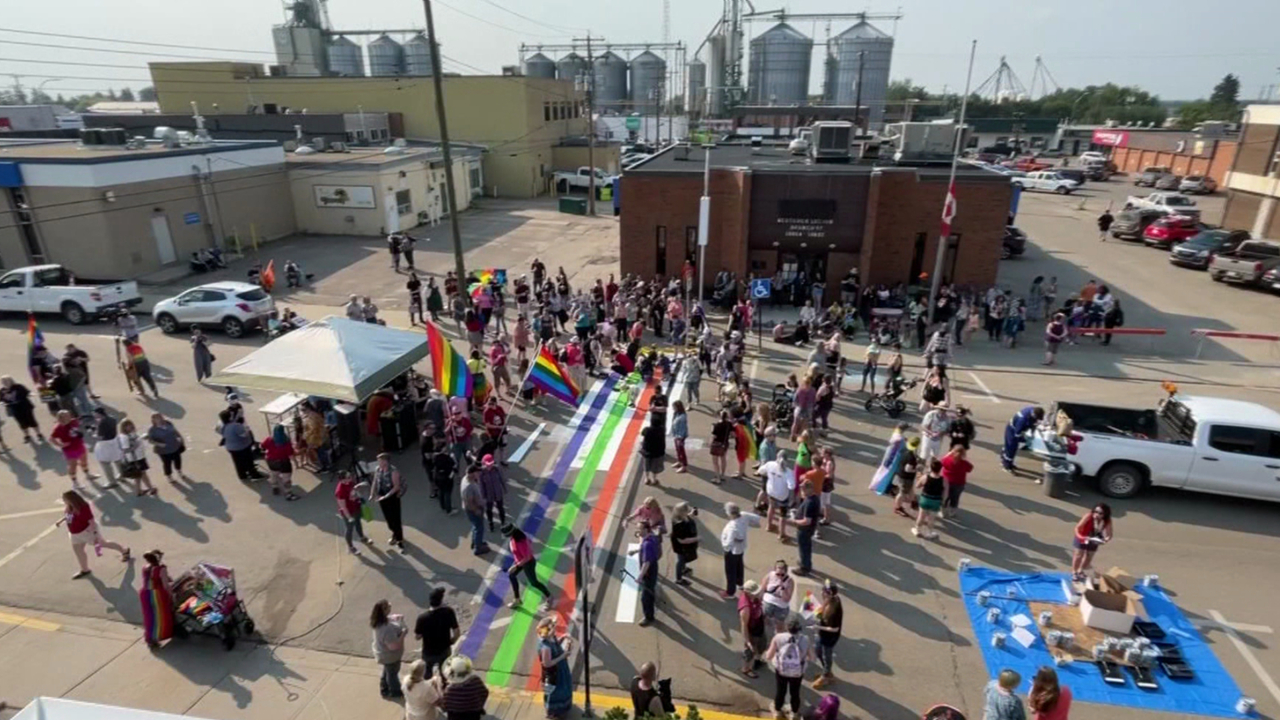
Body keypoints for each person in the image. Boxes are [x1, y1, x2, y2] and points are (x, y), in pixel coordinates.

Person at [57, 490, 129, 579]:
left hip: (86, 531)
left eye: (65, 499)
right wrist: (61, 521)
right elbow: (69, 517)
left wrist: (94, 534)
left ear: (71, 499)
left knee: (103, 543)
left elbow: (90, 521)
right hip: (74, 533)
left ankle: (124, 550)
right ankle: (85, 569)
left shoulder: (83, 507)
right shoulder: (69, 507)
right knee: (78, 551)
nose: (64, 501)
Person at [764, 614, 812, 720]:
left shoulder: (778, 637)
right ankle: (794, 714)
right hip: (797, 672)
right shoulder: (805, 639)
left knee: (781, 690)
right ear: (799, 628)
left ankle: (777, 711)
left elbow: (768, 656)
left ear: (786, 627)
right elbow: (812, 657)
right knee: (795, 692)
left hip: (782, 670)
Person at [413, 586, 461, 678]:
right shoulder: (448, 612)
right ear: (441, 600)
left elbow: (417, 637)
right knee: (445, 673)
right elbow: (457, 632)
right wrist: (451, 641)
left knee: (427, 673)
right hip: (444, 649)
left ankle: (429, 688)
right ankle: (443, 687)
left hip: (428, 651)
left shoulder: (422, 618)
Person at [503, 525, 553, 611]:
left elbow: (527, 557)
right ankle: (517, 599)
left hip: (528, 563)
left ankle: (549, 596)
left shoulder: (520, 541)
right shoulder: (515, 538)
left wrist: (516, 566)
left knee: (534, 583)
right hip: (520, 562)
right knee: (512, 575)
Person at [536, 617, 574, 718]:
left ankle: (562, 709)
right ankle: (555, 713)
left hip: (561, 669)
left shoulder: (551, 638)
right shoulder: (546, 648)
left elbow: (555, 645)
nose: (556, 628)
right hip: (555, 673)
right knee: (556, 692)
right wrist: (563, 656)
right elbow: (547, 663)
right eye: (553, 627)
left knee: (563, 689)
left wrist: (563, 638)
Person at [371, 600, 408, 699]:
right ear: (384, 611)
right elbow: (394, 646)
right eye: (388, 606)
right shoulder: (387, 629)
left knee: (387, 671)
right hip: (390, 657)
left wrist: (393, 618)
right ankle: (395, 692)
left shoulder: (377, 621)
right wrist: (403, 633)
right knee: (392, 675)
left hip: (382, 654)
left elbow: (388, 620)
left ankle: (384, 688)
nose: (390, 606)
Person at [138, 550, 175, 648]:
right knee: (161, 616)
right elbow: (165, 585)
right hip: (157, 594)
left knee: (149, 617)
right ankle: (160, 635)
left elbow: (150, 578)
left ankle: (150, 638)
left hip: (145, 593)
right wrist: (171, 595)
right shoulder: (161, 569)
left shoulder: (145, 568)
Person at [813, 580, 843, 689]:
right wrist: (818, 611)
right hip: (822, 633)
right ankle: (826, 671)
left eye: (824, 591)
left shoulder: (834, 609)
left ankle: (826, 676)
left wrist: (818, 627)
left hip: (829, 637)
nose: (821, 593)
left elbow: (834, 629)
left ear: (830, 594)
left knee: (827, 656)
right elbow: (823, 607)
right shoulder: (830, 600)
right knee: (818, 650)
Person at [50, 410, 95, 485]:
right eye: (66, 416)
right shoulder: (58, 428)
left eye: (69, 415)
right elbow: (52, 438)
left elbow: (79, 428)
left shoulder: (73, 422)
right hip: (70, 450)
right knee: (73, 466)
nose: (69, 417)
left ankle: (88, 475)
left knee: (84, 462)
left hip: (79, 445)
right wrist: (61, 445)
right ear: (61, 418)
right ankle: (75, 482)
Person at [1071, 503, 1113, 581]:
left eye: (1100, 513)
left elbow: (1109, 534)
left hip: (1094, 538)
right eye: (1095, 511)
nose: (1097, 514)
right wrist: (1080, 537)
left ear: (1105, 514)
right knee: (1078, 555)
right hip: (1083, 536)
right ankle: (1074, 572)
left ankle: (1080, 571)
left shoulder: (1107, 521)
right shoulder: (1088, 516)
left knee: (1088, 557)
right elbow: (1077, 528)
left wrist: (1105, 540)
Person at [441, 655, 489, 720]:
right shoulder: (475, 681)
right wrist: (478, 705)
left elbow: (445, 706)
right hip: (473, 715)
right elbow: (485, 693)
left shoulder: (450, 690)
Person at [220, 409, 263, 481]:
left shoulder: (222, 426)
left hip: (230, 447)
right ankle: (254, 475)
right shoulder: (236, 426)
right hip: (242, 446)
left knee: (237, 462)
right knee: (248, 461)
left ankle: (242, 475)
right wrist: (246, 429)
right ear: (230, 417)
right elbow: (244, 435)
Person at [335, 472, 373, 554]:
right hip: (348, 511)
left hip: (355, 507)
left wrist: (359, 495)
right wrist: (349, 517)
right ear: (343, 479)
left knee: (358, 522)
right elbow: (343, 506)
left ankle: (362, 537)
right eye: (348, 477)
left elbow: (354, 490)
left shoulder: (350, 482)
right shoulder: (340, 491)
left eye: (350, 476)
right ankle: (351, 547)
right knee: (349, 529)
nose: (351, 478)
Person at [118, 418, 158, 497]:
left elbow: (136, 440)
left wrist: (141, 438)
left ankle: (138, 491)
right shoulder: (124, 437)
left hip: (139, 457)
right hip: (135, 459)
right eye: (127, 426)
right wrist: (135, 446)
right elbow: (125, 450)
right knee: (142, 474)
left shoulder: (131, 434)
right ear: (123, 427)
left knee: (138, 476)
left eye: (131, 424)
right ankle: (150, 488)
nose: (130, 426)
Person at [736, 580, 768, 677]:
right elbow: (744, 625)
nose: (757, 594)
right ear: (747, 592)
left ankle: (757, 660)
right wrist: (747, 641)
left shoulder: (754, 597)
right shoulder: (745, 608)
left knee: (762, 644)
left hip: (759, 626)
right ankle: (746, 669)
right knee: (750, 652)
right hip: (752, 631)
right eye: (755, 593)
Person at [720, 502, 751, 598]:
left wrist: (725, 547)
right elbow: (755, 519)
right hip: (740, 548)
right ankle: (740, 583)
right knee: (739, 565)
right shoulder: (744, 517)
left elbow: (728, 543)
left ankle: (730, 592)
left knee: (730, 571)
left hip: (732, 551)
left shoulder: (732, 527)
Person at [261, 424, 300, 500]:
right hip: (284, 462)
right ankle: (288, 494)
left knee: (274, 474)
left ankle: (275, 487)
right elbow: (290, 455)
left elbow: (262, 446)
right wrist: (296, 463)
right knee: (286, 478)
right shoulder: (286, 441)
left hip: (271, 461)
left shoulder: (269, 439)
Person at [1001, 406, 1045, 473]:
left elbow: (1033, 424)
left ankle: (1008, 462)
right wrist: (1025, 440)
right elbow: (1017, 433)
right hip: (1012, 430)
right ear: (1034, 415)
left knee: (1010, 447)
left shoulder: (1033, 410)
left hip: (1017, 429)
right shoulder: (1023, 419)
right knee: (1011, 448)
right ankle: (1006, 465)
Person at [145, 413, 186, 484]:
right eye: (157, 418)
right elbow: (150, 441)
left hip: (174, 445)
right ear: (153, 420)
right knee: (167, 463)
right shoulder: (152, 430)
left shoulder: (168, 423)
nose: (160, 419)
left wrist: (180, 437)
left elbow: (175, 431)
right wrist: (160, 444)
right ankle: (169, 476)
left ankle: (179, 472)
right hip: (163, 450)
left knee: (178, 460)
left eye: (160, 417)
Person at [1, 375, 43, 443]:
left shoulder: (18, 387)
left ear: (11, 380)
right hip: (15, 409)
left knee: (31, 421)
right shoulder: (2, 390)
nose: (5, 382)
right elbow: (1, 400)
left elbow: (27, 392)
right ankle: (27, 435)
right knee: (22, 423)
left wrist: (32, 394)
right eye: (3, 381)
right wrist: (3, 403)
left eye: (6, 381)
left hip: (25, 407)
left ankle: (39, 434)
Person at [635, 521, 662, 627]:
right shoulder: (652, 538)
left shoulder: (647, 544)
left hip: (648, 574)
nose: (638, 531)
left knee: (645, 598)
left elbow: (646, 563)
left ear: (646, 530)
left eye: (639, 529)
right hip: (653, 570)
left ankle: (649, 617)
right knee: (650, 590)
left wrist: (640, 577)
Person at [793, 482, 821, 576]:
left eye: (803, 489)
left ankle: (804, 568)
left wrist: (795, 521)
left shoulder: (810, 503)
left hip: (804, 529)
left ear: (809, 489)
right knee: (806, 547)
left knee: (804, 548)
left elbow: (807, 521)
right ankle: (805, 563)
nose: (802, 491)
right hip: (809, 529)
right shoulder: (814, 498)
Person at [912, 459, 945, 540]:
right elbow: (946, 492)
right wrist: (942, 501)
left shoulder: (926, 477)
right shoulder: (943, 480)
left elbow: (917, 486)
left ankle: (917, 529)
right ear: (940, 469)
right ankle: (929, 533)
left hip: (925, 499)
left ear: (931, 468)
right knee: (931, 518)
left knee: (921, 516)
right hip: (936, 500)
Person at [940, 442, 973, 519]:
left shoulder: (947, 460)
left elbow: (941, 462)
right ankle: (952, 511)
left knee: (945, 497)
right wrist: (965, 458)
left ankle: (943, 511)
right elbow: (970, 468)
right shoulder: (964, 463)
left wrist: (948, 454)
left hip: (946, 482)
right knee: (955, 498)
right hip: (959, 483)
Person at [460, 465, 488, 555]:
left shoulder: (467, 479)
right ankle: (478, 547)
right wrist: (476, 510)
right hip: (474, 509)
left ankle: (476, 542)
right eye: (477, 472)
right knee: (479, 528)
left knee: (475, 526)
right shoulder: (469, 486)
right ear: (472, 473)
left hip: (473, 508)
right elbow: (469, 501)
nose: (479, 474)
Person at [761, 560, 794, 634]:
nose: (780, 576)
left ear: (786, 572)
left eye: (782, 574)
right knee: (764, 620)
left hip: (781, 606)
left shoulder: (790, 581)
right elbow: (763, 588)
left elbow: (787, 599)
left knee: (780, 626)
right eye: (778, 574)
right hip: (768, 602)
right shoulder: (770, 575)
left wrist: (783, 588)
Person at [670, 502, 699, 586]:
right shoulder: (678, 524)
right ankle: (679, 579)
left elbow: (687, 518)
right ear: (682, 512)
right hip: (681, 547)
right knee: (681, 560)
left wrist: (692, 514)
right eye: (687, 510)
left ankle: (683, 569)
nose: (688, 510)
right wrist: (696, 539)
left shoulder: (682, 517)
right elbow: (682, 540)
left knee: (683, 559)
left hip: (684, 546)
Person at [892, 437, 921, 519]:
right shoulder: (911, 457)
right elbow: (908, 469)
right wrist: (916, 469)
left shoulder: (905, 450)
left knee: (910, 489)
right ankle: (897, 508)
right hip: (905, 477)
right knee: (902, 493)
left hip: (902, 474)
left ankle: (913, 501)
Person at [478, 454, 507, 530]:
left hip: (497, 492)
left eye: (491, 464)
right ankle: (490, 522)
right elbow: (481, 485)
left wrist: (504, 489)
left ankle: (503, 522)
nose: (489, 467)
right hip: (488, 494)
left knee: (500, 508)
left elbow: (502, 479)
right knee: (489, 509)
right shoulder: (482, 473)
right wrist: (483, 496)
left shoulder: (497, 469)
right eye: (488, 465)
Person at [709, 410, 733, 484]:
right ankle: (722, 475)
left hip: (716, 444)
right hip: (724, 444)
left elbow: (714, 436)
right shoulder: (729, 424)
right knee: (723, 459)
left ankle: (717, 478)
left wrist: (710, 444)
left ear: (719, 416)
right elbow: (732, 434)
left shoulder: (716, 425)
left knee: (715, 462)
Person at [640, 418, 666, 486]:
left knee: (646, 465)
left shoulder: (647, 430)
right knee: (655, 467)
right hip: (657, 452)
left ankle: (646, 478)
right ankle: (654, 479)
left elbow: (642, 433)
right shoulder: (661, 430)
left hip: (647, 451)